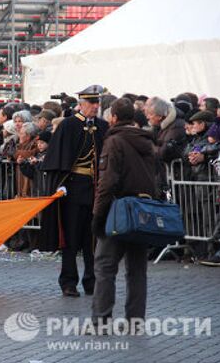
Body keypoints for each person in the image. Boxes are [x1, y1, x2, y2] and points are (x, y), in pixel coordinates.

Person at [91, 98, 157, 332]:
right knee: (137, 270)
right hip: (143, 209)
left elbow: (107, 183)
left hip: (118, 210)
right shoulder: (147, 141)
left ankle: (101, 321)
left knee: (105, 267)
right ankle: (135, 322)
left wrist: (98, 217)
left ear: (114, 118)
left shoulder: (114, 141)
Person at [41, 85, 108, 297]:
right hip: (72, 187)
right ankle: (69, 282)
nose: (95, 107)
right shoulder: (68, 125)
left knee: (92, 239)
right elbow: (56, 157)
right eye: (91, 103)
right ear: (81, 104)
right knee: (70, 238)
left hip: (95, 189)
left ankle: (92, 281)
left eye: (97, 103)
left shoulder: (103, 126)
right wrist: (59, 183)